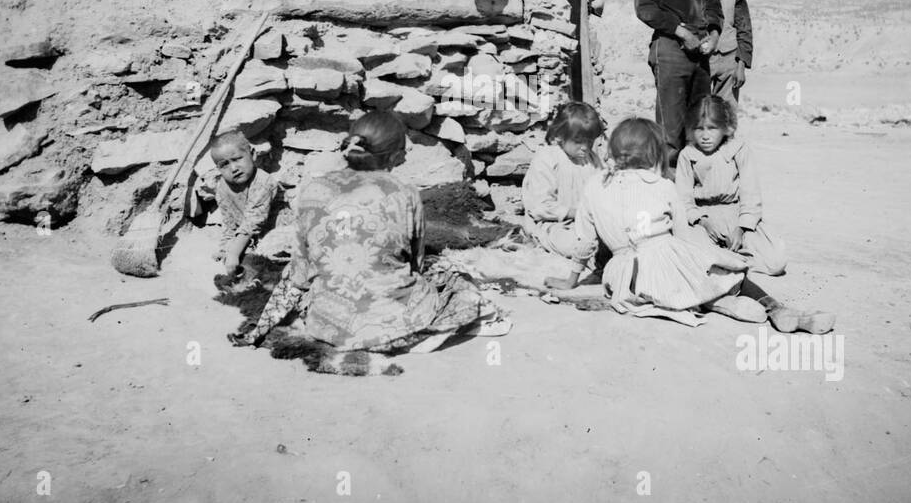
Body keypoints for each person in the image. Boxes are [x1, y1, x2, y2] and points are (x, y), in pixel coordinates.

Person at [234, 111, 510, 374]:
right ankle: (412, 332)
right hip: (394, 327)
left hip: (327, 326)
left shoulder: (314, 190)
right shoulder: (404, 193)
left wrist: (268, 321)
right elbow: (416, 262)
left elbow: (299, 272)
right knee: (456, 282)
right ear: (394, 155)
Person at [564, 117, 766, 324]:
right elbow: (682, 238)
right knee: (723, 268)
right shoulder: (663, 185)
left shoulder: (594, 185)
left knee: (667, 281)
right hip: (662, 261)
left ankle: (687, 298)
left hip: (621, 277)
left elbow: (585, 241)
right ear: (654, 152)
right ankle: (755, 303)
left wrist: (571, 281)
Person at [676, 96, 834, 334]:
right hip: (704, 219)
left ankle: (733, 260)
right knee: (698, 254)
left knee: (775, 260)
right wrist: (700, 220)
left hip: (736, 215)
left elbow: (751, 193)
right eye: (699, 129)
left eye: (712, 128)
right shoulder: (687, 156)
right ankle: (732, 271)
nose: (705, 136)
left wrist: (743, 226)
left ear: (726, 127)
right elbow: (684, 198)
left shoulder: (739, 150)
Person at [634, 0, 725, 170]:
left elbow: (713, 4)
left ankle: (694, 183)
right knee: (670, 126)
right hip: (670, 49)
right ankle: (667, 188)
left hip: (701, 52)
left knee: (699, 120)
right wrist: (681, 32)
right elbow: (645, 8)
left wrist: (713, 34)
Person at [521, 102, 606, 259]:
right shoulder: (547, 158)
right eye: (578, 141)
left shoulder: (592, 160)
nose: (585, 147)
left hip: (587, 223)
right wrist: (577, 213)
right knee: (573, 245)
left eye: (590, 141)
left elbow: (603, 190)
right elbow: (539, 207)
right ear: (560, 135)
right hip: (553, 224)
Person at [209, 131, 281, 290]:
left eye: (237, 159)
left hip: (275, 235)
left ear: (253, 155)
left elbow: (253, 221)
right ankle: (247, 279)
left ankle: (258, 281)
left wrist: (234, 253)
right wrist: (226, 248)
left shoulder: (264, 182)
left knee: (266, 260)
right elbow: (229, 223)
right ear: (218, 168)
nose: (233, 168)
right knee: (235, 261)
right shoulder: (222, 187)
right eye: (224, 164)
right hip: (251, 238)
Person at [697, 0, 754, 103]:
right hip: (701, 60)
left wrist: (741, 65)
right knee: (697, 113)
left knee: (727, 116)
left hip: (729, 61)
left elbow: (744, 30)